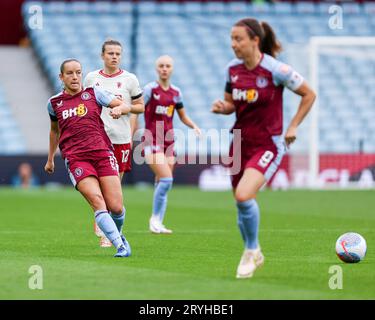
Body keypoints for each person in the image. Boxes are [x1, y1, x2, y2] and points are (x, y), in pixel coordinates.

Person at [211, 18, 316, 279]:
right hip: (238, 143)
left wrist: (293, 127)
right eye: (232, 39)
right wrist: (223, 108)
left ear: (255, 40)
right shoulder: (232, 70)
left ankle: (251, 250)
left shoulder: (276, 69)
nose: (233, 44)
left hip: (268, 143)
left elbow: (309, 94)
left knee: (244, 196)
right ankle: (253, 250)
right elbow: (231, 103)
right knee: (241, 203)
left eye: (239, 39)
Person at [44, 58, 132, 258]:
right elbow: (54, 132)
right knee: (97, 201)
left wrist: (119, 108)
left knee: (116, 207)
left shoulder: (93, 93)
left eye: (78, 72)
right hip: (76, 159)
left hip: (102, 154)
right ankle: (120, 246)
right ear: (61, 77)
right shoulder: (54, 103)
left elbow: (125, 106)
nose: (75, 77)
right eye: (70, 73)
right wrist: (50, 158)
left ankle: (118, 236)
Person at [84, 39, 144, 247]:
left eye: (118, 53)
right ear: (102, 55)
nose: (114, 56)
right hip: (97, 139)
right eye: (110, 53)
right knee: (99, 188)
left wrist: (124, 108)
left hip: (120, 139)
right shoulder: (91, 79)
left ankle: (110, 232)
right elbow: (84, 104)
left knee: (113, 189)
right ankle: (104, 231)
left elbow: (140, 107)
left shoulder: (129, 79)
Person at [142, 55, 201, 234]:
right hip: (152, 139)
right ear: (156, 69)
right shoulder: (150, 90)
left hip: (169, 141)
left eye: (168, 66)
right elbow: (137, 109)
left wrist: (194, 126)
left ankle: (158, 222)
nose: (164, 69)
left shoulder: (176, 92)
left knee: (162, 182)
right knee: (167, 179)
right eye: (161, 66)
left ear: (172, 69)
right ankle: (154, 219)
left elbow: (182, 116)